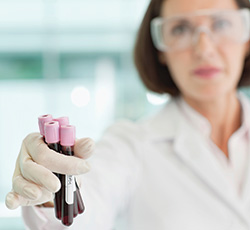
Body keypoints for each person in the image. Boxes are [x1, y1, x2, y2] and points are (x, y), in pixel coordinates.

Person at [5, 0, 250, 229]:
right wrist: (50, 193)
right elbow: (83, 213)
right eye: (180, 29)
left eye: (220, 24)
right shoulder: (131, 146)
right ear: (160, 49)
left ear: (247, 36)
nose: (203, 49)